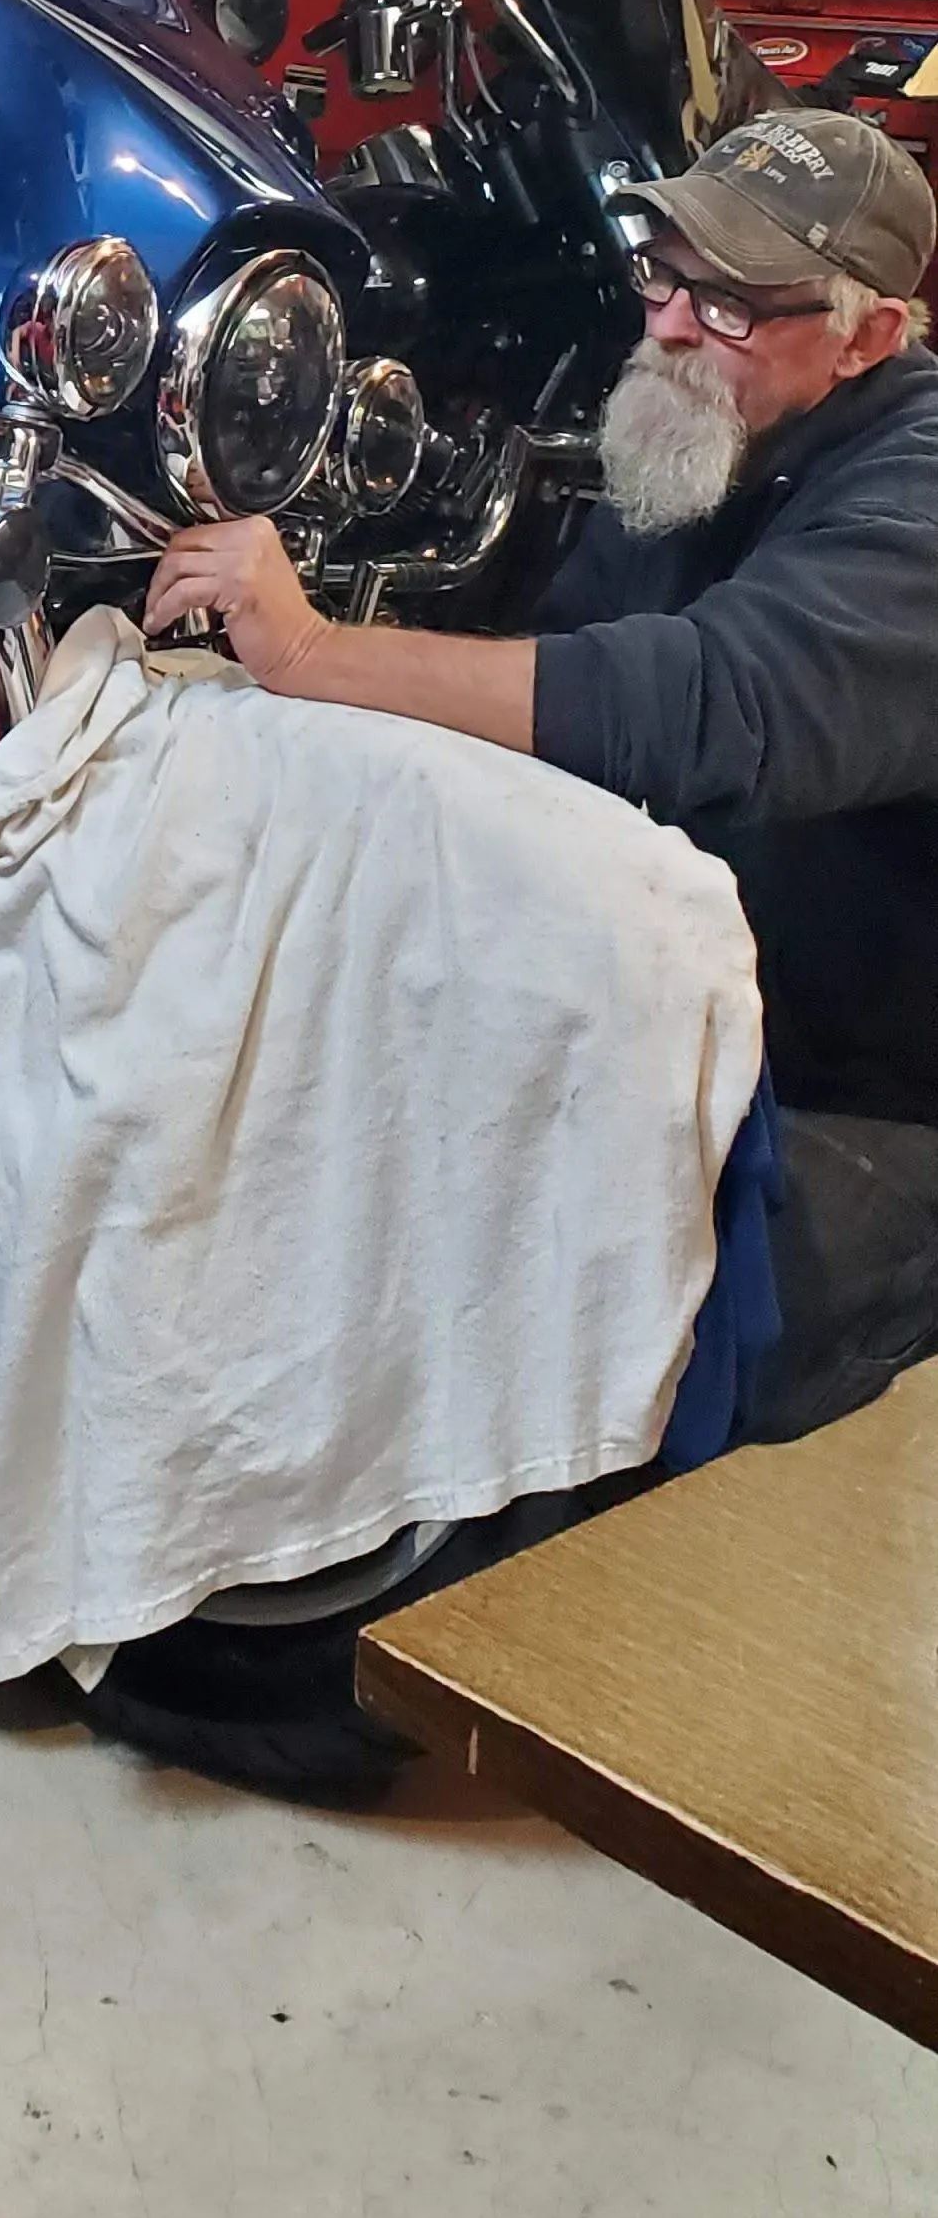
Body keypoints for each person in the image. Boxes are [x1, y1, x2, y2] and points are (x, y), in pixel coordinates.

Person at [144, 105, 938, 1427]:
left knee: (625, 1355)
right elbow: (565, 679)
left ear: (872, 336)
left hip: (868, 1094)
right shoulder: (698, 434)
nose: (673, 326)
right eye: (667, 274)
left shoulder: (914, 501)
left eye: (734, 305)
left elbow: (706, 708)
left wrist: (315, 655)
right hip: (676, 1003)